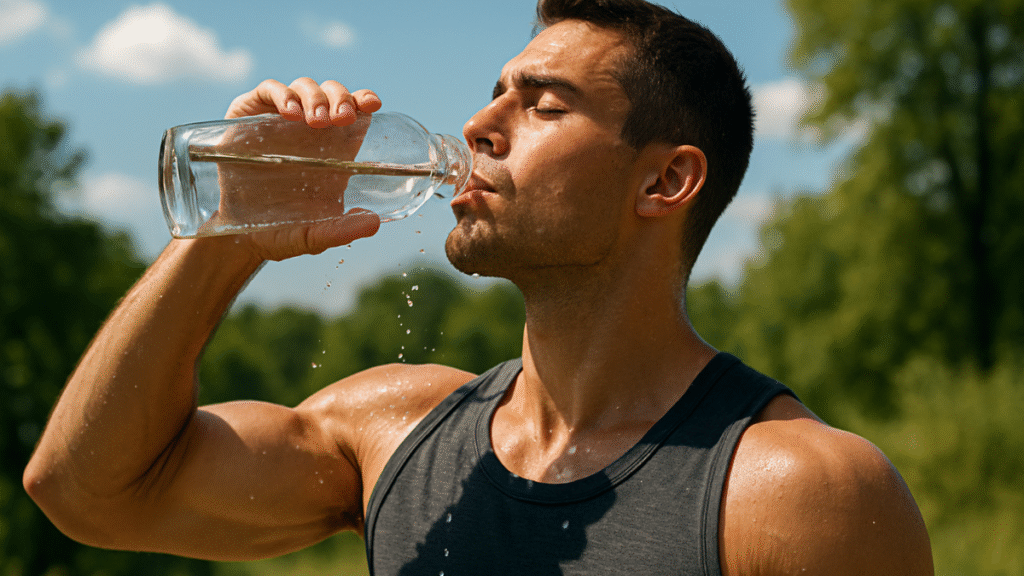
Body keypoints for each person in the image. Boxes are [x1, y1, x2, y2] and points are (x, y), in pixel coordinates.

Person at [24, 0, 933, 574]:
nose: (478, 125)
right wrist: (227, 238)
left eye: (543, 105)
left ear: (666, 182)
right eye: (494, 93)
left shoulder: (797, 492)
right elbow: (87, 491)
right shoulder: (396, 433)